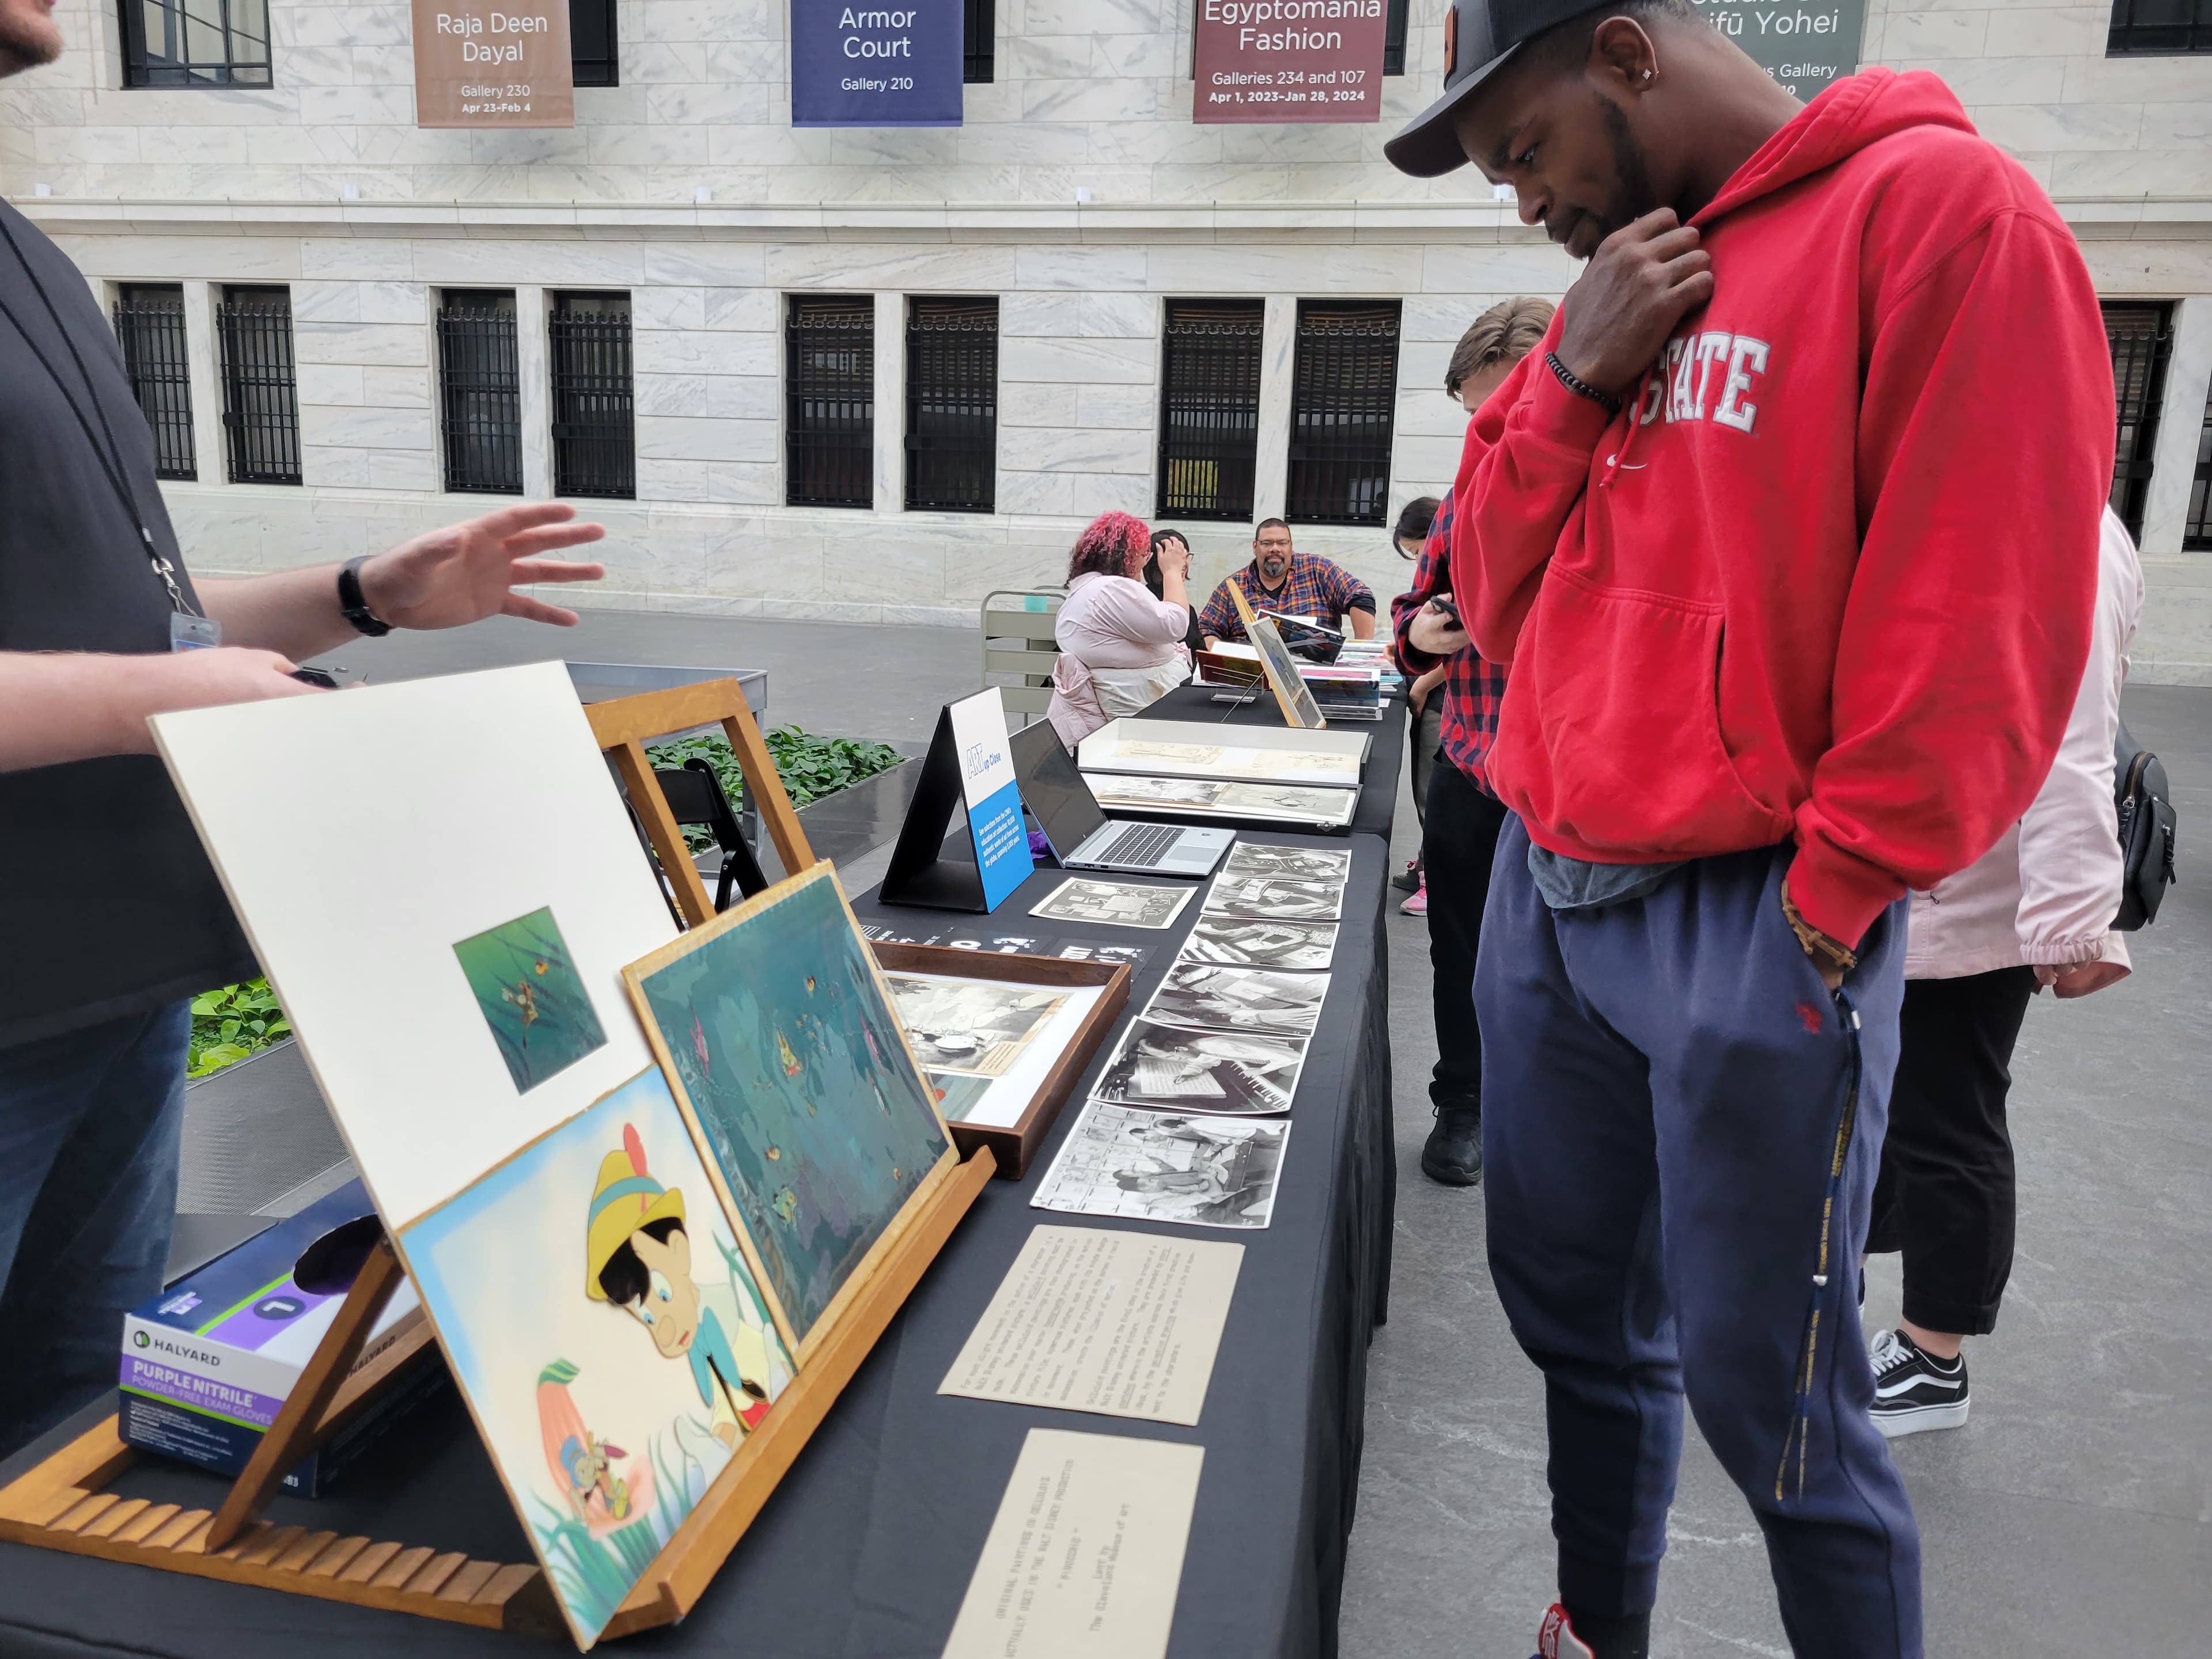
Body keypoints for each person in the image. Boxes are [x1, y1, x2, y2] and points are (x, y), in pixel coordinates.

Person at [1387, 3, 2112, 1654]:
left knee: (1774, 1400)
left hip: (1756, 908)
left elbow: (1982, 623)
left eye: (1524, 149)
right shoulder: (1616, 281)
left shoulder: (1945, 216)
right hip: (1545, 890)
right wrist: (1573, 371)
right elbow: (1484, 593)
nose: (1521, 201)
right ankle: (1597, 1625)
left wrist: (1836, 894)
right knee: (1577, 1327)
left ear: (1626, 54)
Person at [0, 0, 609, 1460]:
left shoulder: (37, 256)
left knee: (73, 1458)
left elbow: (126, 613)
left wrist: (359, 597)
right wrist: (154, 700)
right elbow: (138, 672)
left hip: (117, 999)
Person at [1864, 506, 2142, 1438]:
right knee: (1889, 1101)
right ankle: (1863, 1309)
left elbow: (2075, 733)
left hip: (1972, 883)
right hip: (1908, 867)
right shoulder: (1991, 489)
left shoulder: (2067, 525)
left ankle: (1935, 1353)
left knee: (1949, 1117)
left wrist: (2072, 924)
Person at [1388, 297, 1554, 1185]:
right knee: (1461, 951)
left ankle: (1546, 1117)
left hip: (1566, 786)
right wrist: (1422, 637)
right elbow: (1412, 611)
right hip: (1470, 764)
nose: (1488, 433)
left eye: (1505, 410)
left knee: (1559, 970)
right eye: (1474, 418)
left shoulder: (1613, 486)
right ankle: (1464, 1102)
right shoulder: (1462, 497)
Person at [1045, 511, 1192, 749]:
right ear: (1126, 556)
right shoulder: (1112, 589)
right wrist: (1173, 571)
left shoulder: (1090, 589)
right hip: (1130, 721)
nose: (1147, 560)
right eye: (1144, 552)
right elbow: (1175, 624)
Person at [1196, 518, 1374, 654]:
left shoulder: (1317, 570)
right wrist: (1227, 656)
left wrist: (1361, 651)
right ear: (1255, 547)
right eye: (1267, 543)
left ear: (1291, 546)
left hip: (1316, 676)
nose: (1275, 549)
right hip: (1253, 682)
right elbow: (1205, 629)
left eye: (1282, 543)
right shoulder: (1233, 587)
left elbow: (1360, 596)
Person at [1391, 495, 1443, 899]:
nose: (1419, 562)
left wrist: (1423, 685)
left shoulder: (1457, 571)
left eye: (1416, 551)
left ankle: (1434, 878)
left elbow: (1464, 647)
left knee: (1432, 791)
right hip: (1431, 691)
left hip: (1441, 698)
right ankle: (1428, 863)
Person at [1142, 528, 1209, 658]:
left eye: (1186, 557)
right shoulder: (1143, 602)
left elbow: (1200, 655)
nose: (1184, 564)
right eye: (1178, 558)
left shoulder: (1188, 610)